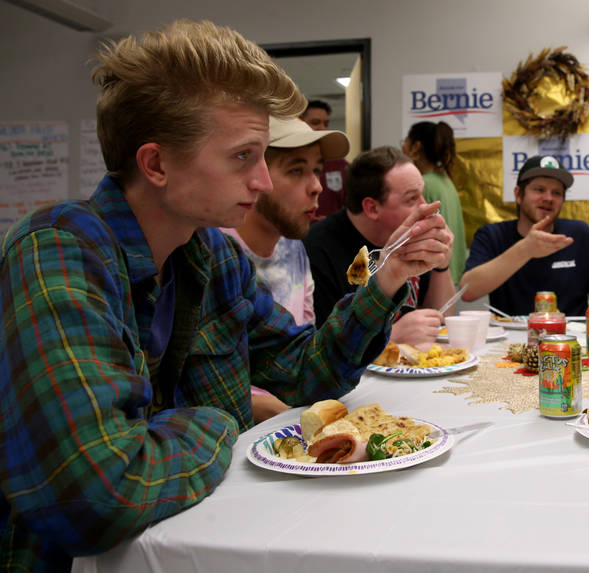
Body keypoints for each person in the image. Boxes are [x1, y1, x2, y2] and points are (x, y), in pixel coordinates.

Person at [0, 20, 451, 571]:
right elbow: (95, 498)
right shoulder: (57, 252)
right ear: (157, 164)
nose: (262, 181)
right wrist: (217, 418)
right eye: (243, 157)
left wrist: (387, 278)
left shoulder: (212, 256)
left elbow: (307, 373)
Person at [221, 115, 351, 423]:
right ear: (255, 176)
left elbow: (304, 349)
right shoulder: (217, 253)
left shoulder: (294, 247)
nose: (317, 186)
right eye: (297, 170)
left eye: (317, 170)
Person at [304, 146, 456, 348]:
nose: (423, 206)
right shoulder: (318, 249)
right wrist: (390, 336)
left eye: (422, 194)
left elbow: (440, 316)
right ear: (372, 208)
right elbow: (319, 348)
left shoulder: (411, 239)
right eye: (412, 198)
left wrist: (441, 265)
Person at [460, 155, 589, 316]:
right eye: (539, 190)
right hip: (509, 338)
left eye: (556, 193)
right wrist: (525, 249)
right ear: (518, 195)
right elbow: (467, 292)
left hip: (572, 337)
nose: (548, 198)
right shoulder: (492, 235)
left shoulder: (580, 234)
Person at [403, 121, 468, 284]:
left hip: (433, 277)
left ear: (416, 146)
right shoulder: (445, 181)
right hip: (449, 275)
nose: (402, 148)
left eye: (405, 142)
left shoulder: (423, 184)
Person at [301, 99, 350, 222]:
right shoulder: (288, 163)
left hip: (332, 232)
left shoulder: (340, 165)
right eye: (315, 122)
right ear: (300, 123)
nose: (322, 128)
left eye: (326, 123)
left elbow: (354, 205)